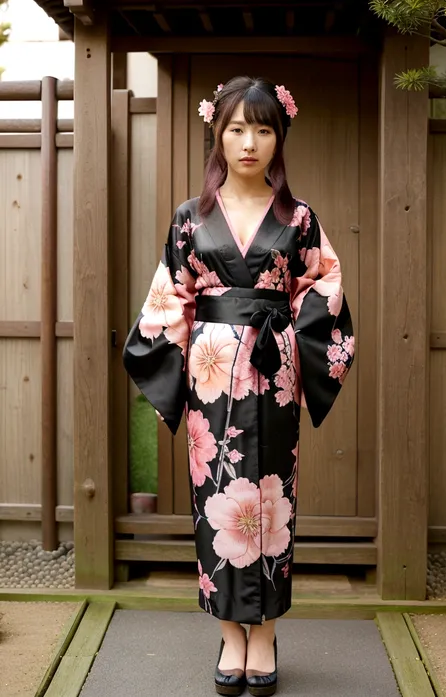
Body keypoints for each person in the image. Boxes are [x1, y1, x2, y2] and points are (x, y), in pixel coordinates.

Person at [123, 76, 354, 696]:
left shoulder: (299, 218)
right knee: (217, 498)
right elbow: (169, 300)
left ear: (279, 138)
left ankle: (266, 632)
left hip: (274, 371)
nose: (249, 142)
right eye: (235, 129)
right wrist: (178, 359)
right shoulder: (190, 217)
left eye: (262, 128)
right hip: (211, 372)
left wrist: (287, 327)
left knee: (273, 499)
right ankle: (230, 632)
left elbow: (325, 291)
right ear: (217, 136)